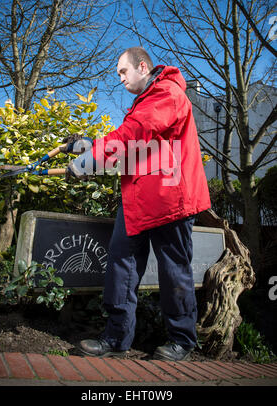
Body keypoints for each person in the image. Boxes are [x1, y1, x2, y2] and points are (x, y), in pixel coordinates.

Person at [63, 47, 211, 361]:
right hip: (138, 199)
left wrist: (89, 161)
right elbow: (132, 144)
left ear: (142, 66)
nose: (120, 79)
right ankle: (116, 339)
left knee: (174, 272)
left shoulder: (167, 94)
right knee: (121, 265)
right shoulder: (143, 103)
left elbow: (133, 135)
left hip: (170, 199)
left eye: (123, 71)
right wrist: (83, 147)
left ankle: (182, 341)